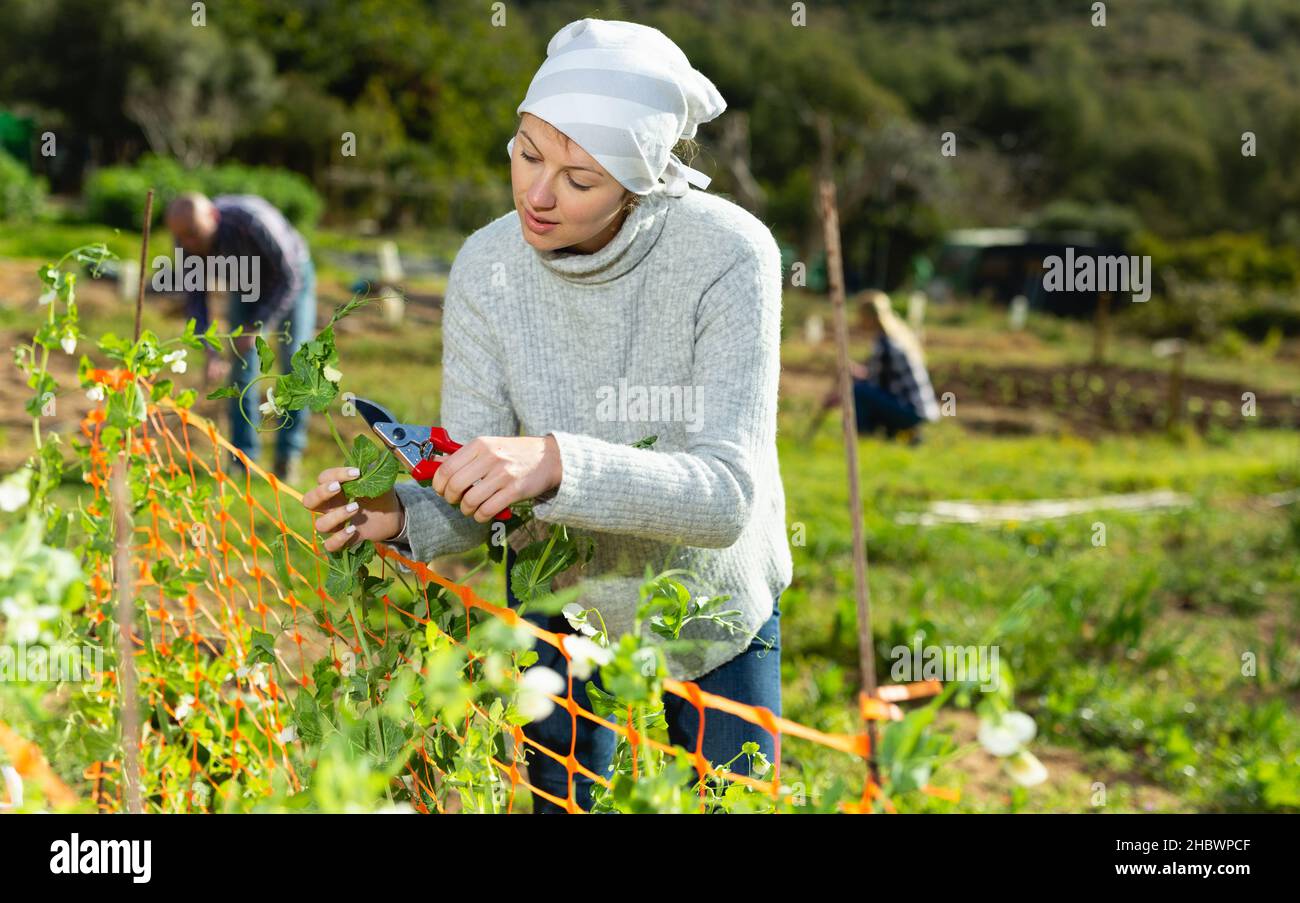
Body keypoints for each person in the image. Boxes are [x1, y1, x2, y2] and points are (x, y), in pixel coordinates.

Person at [301, 18, 792, 812]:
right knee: (565, 799)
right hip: (557, 591)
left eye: (579, 178)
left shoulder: (730, 256)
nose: (536, 194)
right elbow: (479, 493)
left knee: (727, 798)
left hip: (710, 602)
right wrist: (401, 516)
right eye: (527, 153)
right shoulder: (487, 268)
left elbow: (726, 496)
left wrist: (556, 461)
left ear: (641, 181)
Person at [166, 192, 317, 483]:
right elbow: (196, 298)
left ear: (213, 217)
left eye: (194, 235)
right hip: (245, 284)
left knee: (295, 365)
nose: (188, 244)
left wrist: (257, 326)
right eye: (181, 238)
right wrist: (209, 349)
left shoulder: (253, 223)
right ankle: (243, 460)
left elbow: (289, 278)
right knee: (240, 370)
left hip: (291, 279)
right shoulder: (185, 238)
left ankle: (289, 457)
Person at [820, 290, 940, 442]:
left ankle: (862, 438)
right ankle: (901, 435)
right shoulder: (900, 337)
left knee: (858, 392)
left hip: (909, 409)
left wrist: (841, 396)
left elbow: (873, 384)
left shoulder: (884, 344)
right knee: (863, 393)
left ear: (869, 317)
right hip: (919, 408)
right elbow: (882, 378)